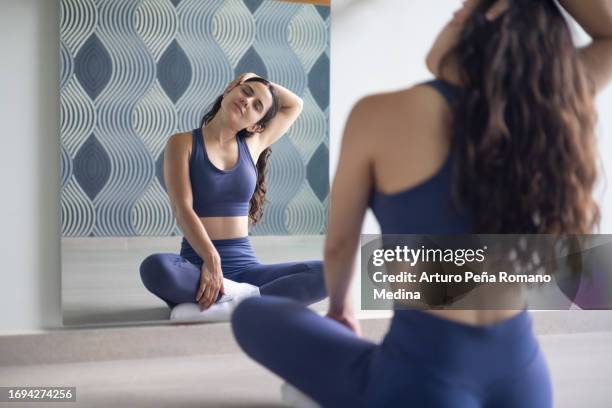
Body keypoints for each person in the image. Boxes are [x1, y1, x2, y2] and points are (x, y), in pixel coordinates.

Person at [231, 0, 612, 406]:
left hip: (422, 383)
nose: (452, 15)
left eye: (462, 10)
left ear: (487, 22)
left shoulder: (381, 113)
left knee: (252, 314)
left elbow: (341, 244)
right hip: (527, 383)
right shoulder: (550, 105)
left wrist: (342, 311)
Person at [139, 73, 327, 319]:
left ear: (256, 125)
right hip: (196, 265)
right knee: (155, 268)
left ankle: (225, 302)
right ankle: (251, 302)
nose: (248, 101)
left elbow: (295, 105)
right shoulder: (182, 143)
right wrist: (210, 259)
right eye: (246, 92)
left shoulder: (254, 144)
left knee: (329, 273)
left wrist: (252, 77)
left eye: (257, 105)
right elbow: (182, 207)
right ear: (229, 91)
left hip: (246, 269)